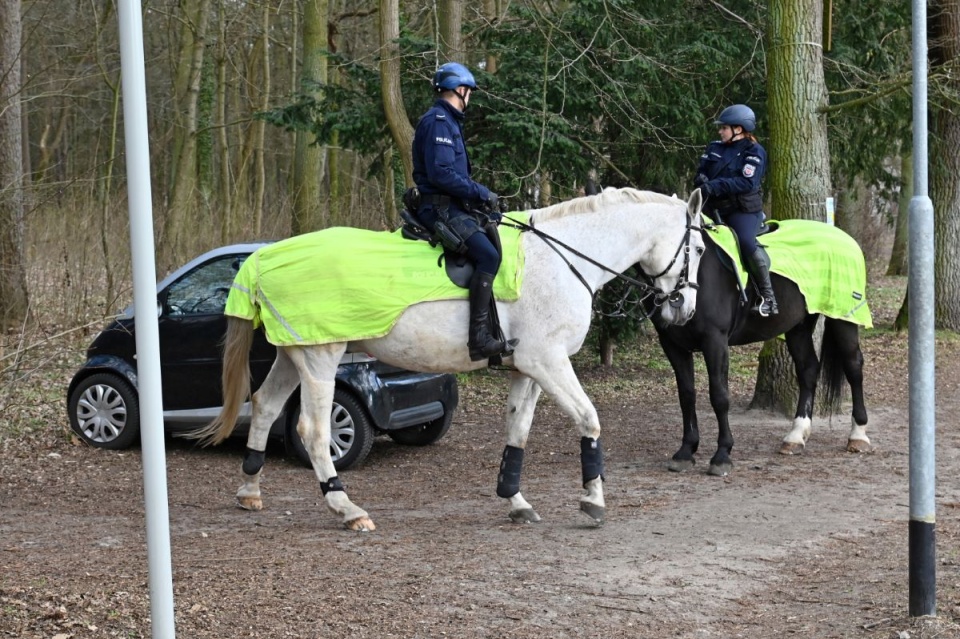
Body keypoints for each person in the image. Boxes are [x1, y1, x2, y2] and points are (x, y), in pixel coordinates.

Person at [411, 61, 511, 360]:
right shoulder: (439, 121)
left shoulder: (449, 121)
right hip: (440, 209)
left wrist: (482, 202)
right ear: (461, 89)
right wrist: (481, 192)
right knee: (488, 255)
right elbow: (441, 174)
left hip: (453, 205)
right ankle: (478, 339)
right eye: (470, 93)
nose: (470, 99)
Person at [694, 104, 778, 317]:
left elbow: (746, 182)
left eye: (724, 128)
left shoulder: (754, 151)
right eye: (721, 128)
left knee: (746, 242)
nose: (720, 131)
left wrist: (714, 185)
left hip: (741, 211)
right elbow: (701, 173)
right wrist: (702, 180)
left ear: (739, 129)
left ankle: (768, 297)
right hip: (711, 209)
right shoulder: (714, 147)